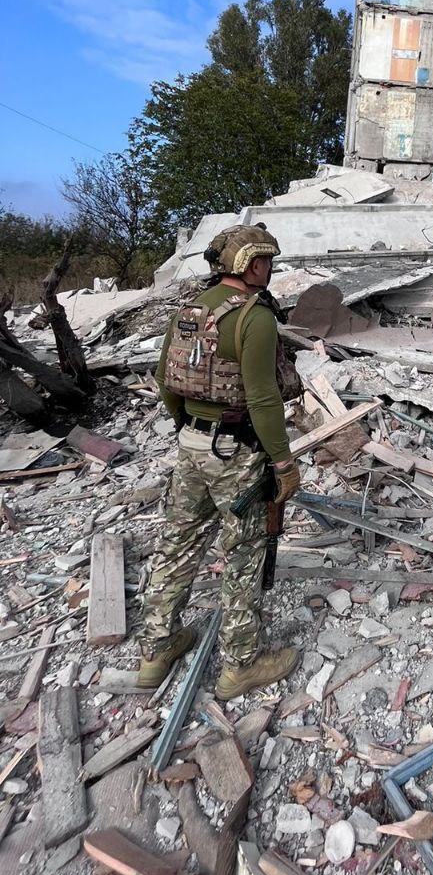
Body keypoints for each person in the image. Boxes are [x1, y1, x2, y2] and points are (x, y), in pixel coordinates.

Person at [137, 223, 302, 698]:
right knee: (244, 554)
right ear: (251, 265)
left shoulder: (191, 309)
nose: (269, 269)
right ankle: (240, 665)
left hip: (190, 443)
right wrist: (284, 464)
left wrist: (189, 426)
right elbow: (264, 398)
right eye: (266, 261)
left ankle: (156, 650)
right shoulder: (256, 315)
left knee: (177, 547)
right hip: (236, 452)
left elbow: (166, 380)